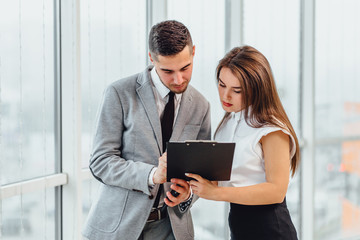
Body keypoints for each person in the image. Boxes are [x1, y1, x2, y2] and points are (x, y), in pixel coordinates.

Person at [82, 20, 211, 240]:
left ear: (194, 52)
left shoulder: (201, 105)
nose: (179, 79)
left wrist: (188, 194)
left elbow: (203, 170)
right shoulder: (119, 93)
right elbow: (100, 162)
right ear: (151, 58)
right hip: (119, 226)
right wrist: (152, 175)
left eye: (185, 68)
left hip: (172, 229)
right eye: (168, 71)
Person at [186, 46, 300, 240]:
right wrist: (188, 187)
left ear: (257, 89)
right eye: (222, 85)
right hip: (239, 226)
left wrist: (216, 193)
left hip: (271, 229)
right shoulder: (228, 124)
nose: (225, 96)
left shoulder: (271, 129)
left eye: (236, 90)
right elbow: (220, 178)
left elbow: (276, 191)